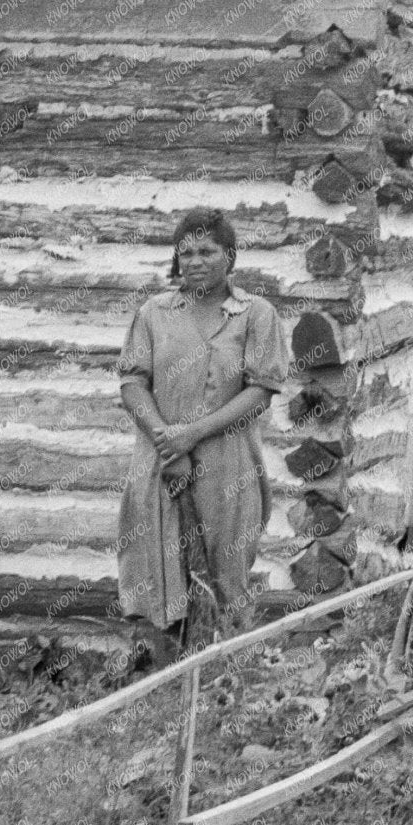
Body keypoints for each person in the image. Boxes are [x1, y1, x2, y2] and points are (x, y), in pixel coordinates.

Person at [117, 209, 291, 659]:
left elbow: (260, 391)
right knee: (158, 566)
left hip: (226, 461)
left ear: (229, 256)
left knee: (226, 569)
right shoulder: (154, 313)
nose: (195, 261)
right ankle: (162, 670)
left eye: (207, 251)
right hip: (159, 460)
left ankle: (228, 670)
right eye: (186, 252)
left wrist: (191, 435)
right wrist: (165, 439)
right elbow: (133, 382)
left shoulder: (255, 314)